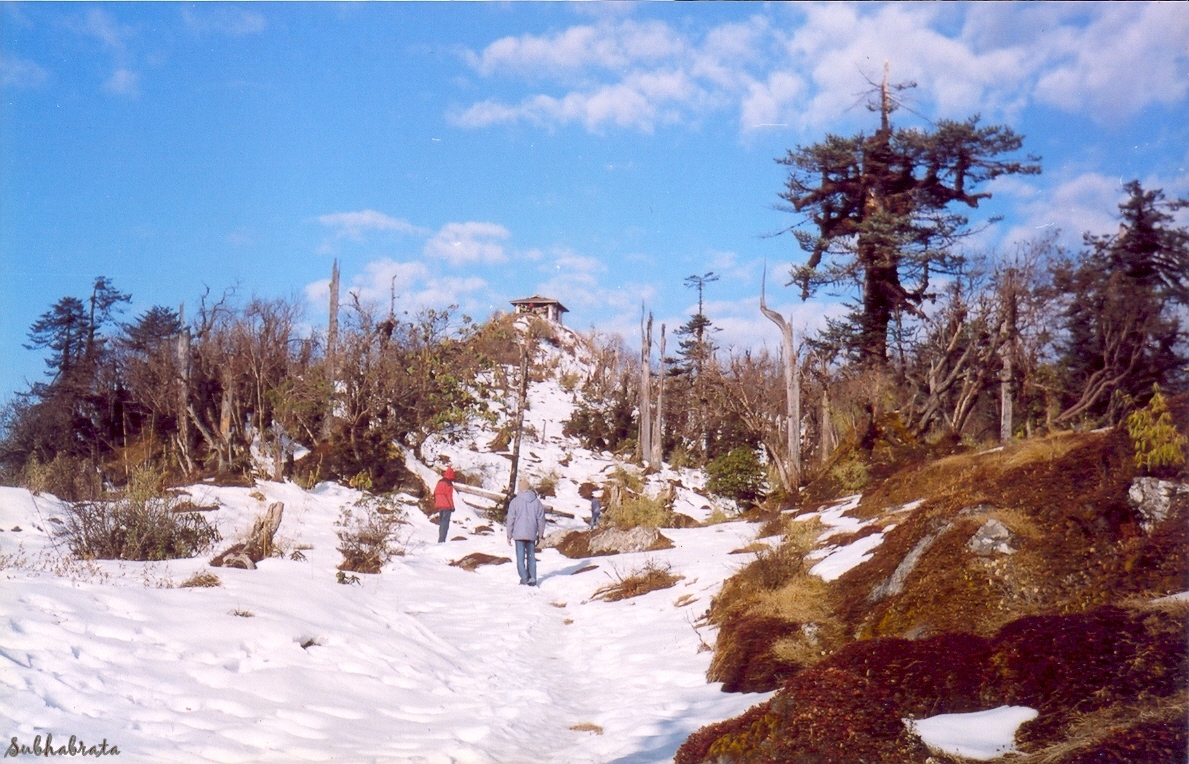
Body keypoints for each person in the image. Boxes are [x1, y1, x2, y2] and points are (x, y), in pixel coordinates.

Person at [505, 477, 546, 586]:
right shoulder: (537, 502)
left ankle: (524, 577)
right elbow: (541, 519)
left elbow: (511, 519)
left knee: (520, 558)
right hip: (531, 533)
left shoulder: (515, 502)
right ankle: (532, 578)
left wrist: (509, 535)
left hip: (518, 534)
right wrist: (540, 534)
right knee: (531, 557)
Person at [433, 467, 456, 544]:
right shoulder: (449, 484)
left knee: (441, 522)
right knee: (445, 523)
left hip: (439, 504)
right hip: (447, 505)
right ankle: (442, 540)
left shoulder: (439, 481)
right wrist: (452, 506)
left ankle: (440, 538)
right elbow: (449, 496)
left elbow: (435, 492)